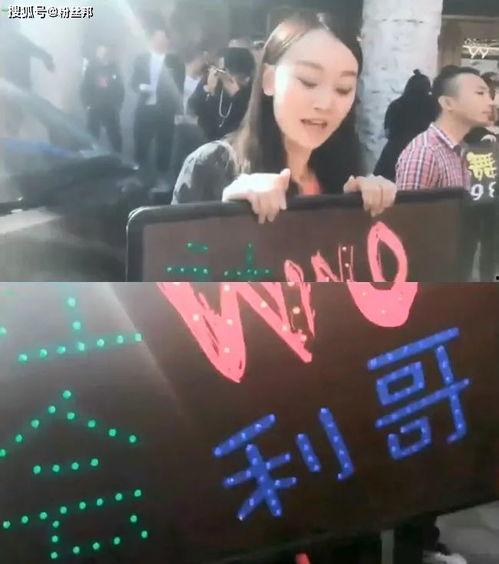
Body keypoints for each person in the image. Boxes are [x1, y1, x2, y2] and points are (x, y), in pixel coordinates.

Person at [172, 10, 396, 228]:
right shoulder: (212, 167)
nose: (325, 103)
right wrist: (227, 219)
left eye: (343, 88)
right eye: (309, 81)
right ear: (269, 80)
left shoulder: (346, 177)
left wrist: (374, 212)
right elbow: (174, 249)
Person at [396, 65, 494, 192]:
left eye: (489, 94)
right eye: (480, 93)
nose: (491, 102)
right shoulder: (425, 152)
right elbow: (410, 205)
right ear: (448, 103)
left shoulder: (460, 148)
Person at [131, 25, 184, 176]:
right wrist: (140, 87)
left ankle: (162, 177)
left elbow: (179, 85)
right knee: (141, 144)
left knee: (164, 146)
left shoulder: (175, 62)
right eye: (157, 38)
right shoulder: (141, 59)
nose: (160, 41)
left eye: (163, 38)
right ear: (152, 39)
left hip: (165, 111)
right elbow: (133, 82)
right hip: (144, 109)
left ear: (168, 41)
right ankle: (139, 174)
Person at [374, 70, 436, 180]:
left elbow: (387, 132)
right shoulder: (433, 104)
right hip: (423, 151)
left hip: (395, 151)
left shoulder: (396, 104)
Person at [0, 19, 55, 136]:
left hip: (20, 87)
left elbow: (40, 52)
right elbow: (41, 53)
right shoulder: (16, 40)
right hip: (11, 88)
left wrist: (48, 60)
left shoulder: (20, 41)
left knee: (17, 112)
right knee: (13, 112)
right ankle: (12, 134)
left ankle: (13, 133)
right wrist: (48, 60)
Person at [188, 47, 255, 141]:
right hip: (209, 140)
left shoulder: (251, 91)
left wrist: (237, 95)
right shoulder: (214, 81)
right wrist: (209, 90)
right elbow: (193, 106)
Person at [80, 44, 125, 153]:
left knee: (115, 135)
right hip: (94, 106)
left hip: (110, 107)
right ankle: (92, 156)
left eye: (105, 53)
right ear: (97, 54)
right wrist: (87, 105)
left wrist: (118, 104)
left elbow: (120, 88)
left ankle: (118, 157)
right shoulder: (91, 69)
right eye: (100, 52)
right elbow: (84, 87)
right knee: (92, 135)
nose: (103, 55)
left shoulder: (114, 68)